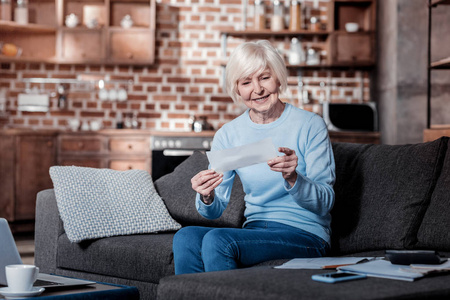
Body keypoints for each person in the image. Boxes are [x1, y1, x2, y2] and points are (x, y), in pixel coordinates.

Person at [173, 40, 335, 274]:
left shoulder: (310, 125)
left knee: (218, 240)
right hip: (255, 230)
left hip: (305, 233)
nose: (257, 89)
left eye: (264, 78)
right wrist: (206, 196)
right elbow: (215, 209)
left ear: (278, 78)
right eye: (246, 82)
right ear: (237, 89)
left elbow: (325, 203)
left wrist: (293, 179)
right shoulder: (228, 135)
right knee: (186, 237)